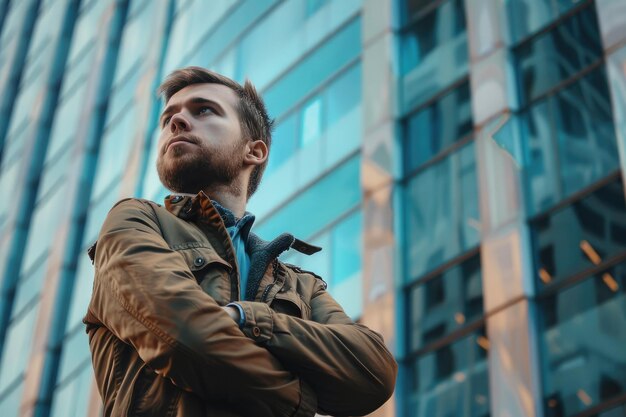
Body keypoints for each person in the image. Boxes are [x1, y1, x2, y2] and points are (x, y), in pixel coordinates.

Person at [83, 66, 397, 417]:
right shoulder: (136, 220)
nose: (177, 122)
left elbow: (373, 372)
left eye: (203, 110)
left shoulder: (298, 284)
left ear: (255, 151)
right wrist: (301, 401)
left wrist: (245, 317)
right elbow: (188, 338)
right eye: (169, 116)